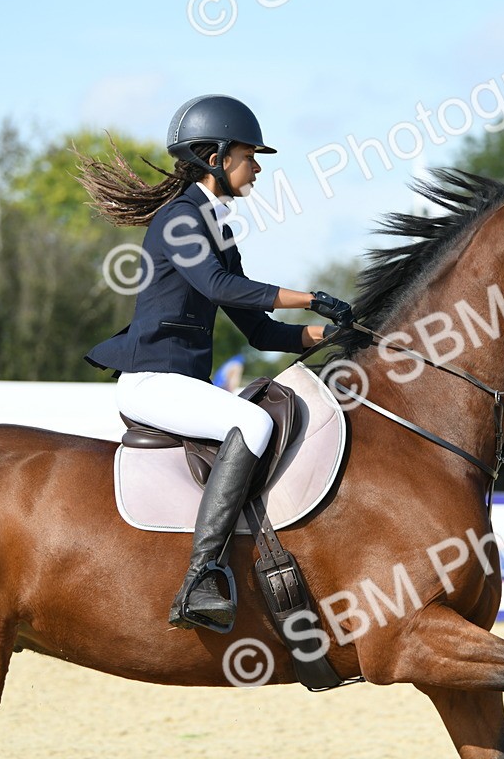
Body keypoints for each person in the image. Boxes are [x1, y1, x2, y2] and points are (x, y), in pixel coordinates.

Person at [76, 94, 355, 632]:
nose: (256, 169)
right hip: (152, 381)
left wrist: (335, 330)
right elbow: (217, 285)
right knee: (251, 421)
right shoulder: (179, 220)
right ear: (218, 157)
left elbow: (259, 330)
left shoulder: (217, 228)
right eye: (251, 157)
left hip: (178, 382)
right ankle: (200, 576)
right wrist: (310, 296)